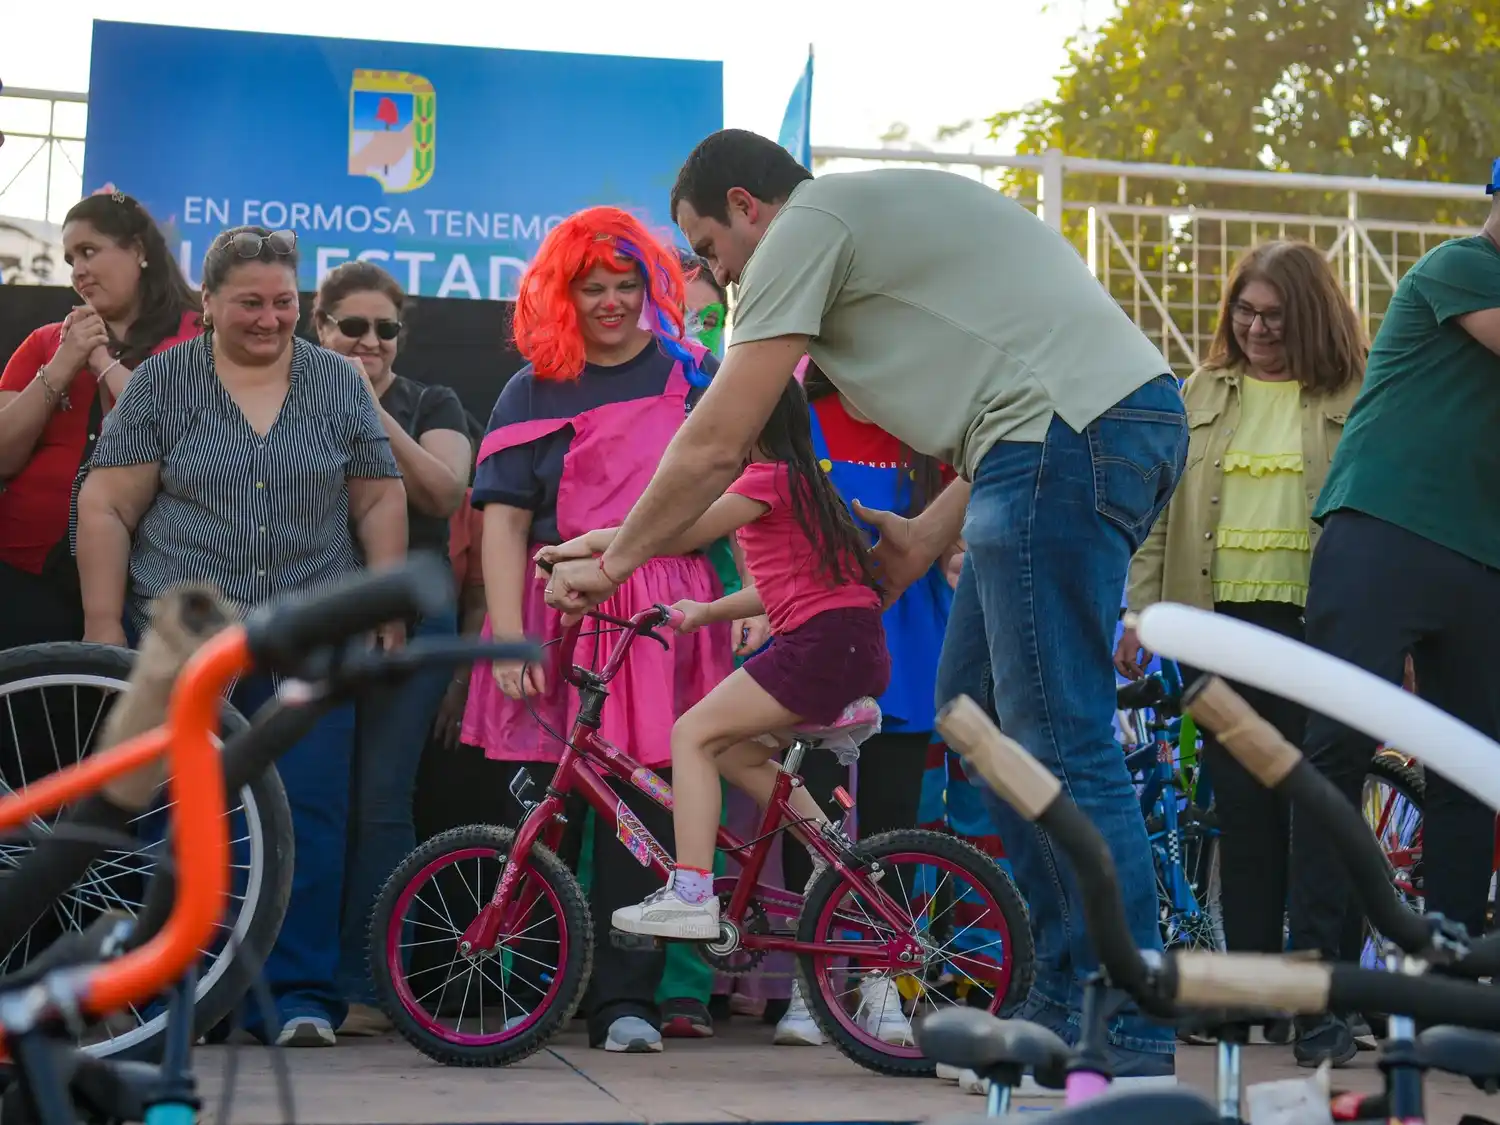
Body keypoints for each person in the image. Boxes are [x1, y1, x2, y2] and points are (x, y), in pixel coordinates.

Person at [542, 129, 1187, 1075]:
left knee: (1059, 736)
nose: (717, 282)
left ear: (747, 206)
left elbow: (722, 435)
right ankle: (1062, 1003)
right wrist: (924, 538)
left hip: (1070, 438)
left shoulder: (810, 223)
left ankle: (1127, 1025)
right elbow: (1019, 390)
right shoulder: (868, 218)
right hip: (1068, 433)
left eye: (711, 252)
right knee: (981, 721)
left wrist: (619, 558)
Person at [76, 226, 407, 1046]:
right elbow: (107, 506)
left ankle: (297, 999)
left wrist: (385, 600)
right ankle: (175, 997)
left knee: (313, 810)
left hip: (312, 628)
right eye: (251, 302)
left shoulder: (336, 381)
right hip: (187, 632)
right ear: (209, 302)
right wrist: (102, 624)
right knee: (179, 811)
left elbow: (377, 498)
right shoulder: (162, 382)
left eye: (285, 302)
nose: (270, 318)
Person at [460, 206, 734, 1053]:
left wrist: (756, 596)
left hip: (662, 617)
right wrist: (510, 634)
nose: (612, 303)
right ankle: (531, 995)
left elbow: (751, 496)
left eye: (627, 286)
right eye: (593, 288)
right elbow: (502, 523)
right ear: (561, 293)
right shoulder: (529, 386)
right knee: (543, 813)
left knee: (641, 818)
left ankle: (627, 1003)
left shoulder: (696, 372)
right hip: (557, 611)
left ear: (653, 287)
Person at [537, 379, 890, 954]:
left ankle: (692, 892)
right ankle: (834, 860)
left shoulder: (765, 478)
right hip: (849, 644)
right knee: (730, 748)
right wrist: (704, 612)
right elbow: (788, 586)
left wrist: (579, 547)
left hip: (821, 645)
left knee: (692, 734)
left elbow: (675, 533)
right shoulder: (804, 484)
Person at [1117, 241, 1365, 1031]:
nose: (1256, 329)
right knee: (1245, 817)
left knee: (1322, 816)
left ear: (1313, 317)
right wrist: (1138, 612)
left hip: (1319, 631)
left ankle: (1326, 998)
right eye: (1245, 312)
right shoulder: (1202, 390)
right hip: (1217, 627)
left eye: (1276, 316)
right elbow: (1162, 511)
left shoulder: (1356, 394)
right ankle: (1248, 998)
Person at [1282, 183, 1500, 1067]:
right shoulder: (1463, 265)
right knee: (1336, 750)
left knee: (1469, 774)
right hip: (1382, 531)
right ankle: (1320, 995)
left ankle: (1445, 1007)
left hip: (1482, 558)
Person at [771, 359, 958, 1046]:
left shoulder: (933, 433)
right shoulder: (798, 418)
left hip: (906, 645)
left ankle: (883, 982)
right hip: (817, 639)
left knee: (892, 821)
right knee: (811, 820)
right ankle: (807, 988)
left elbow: (953, 541)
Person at [310, 261, 472, 1037]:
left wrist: (370, 409)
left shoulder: (431, 401)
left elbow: (447, 492)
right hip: (312, 617)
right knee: (308, 799)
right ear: (320, 326)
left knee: (381, 800)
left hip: (415, 621)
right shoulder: (290, 395)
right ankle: (296, 984)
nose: (369, 340)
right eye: (352, 326)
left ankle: (371, 985)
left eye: (385, 329)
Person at [0, 188, 200, 650]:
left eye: (89, 251)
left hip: (153, 580)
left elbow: (185, 441)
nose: (78, 272)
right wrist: (61, 366)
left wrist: (103, 364)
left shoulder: (197, 339)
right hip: (25, 571)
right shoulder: (48, 343)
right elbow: (4, 456)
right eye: (70, 259)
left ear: (138, 251)